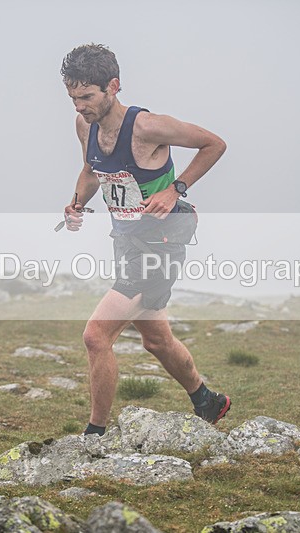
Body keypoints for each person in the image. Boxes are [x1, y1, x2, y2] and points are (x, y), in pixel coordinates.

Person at [60, 43, 230, 437]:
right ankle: (208, 400)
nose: (79, 106)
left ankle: (94, 436)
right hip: (127, 240)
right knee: (155, 339)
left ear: (113, 87)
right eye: (72, 98)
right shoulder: (85, 126)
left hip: (163, 240)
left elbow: (214, 144)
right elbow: (91, 170)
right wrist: (76, 204)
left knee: (95, 335)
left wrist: (176, 188)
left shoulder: (147, 127)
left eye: (86, 97)